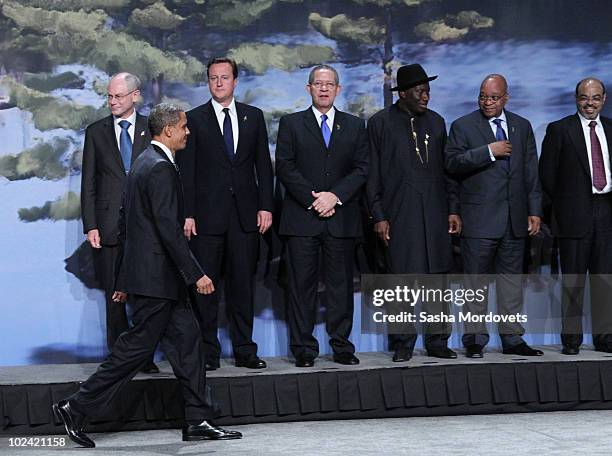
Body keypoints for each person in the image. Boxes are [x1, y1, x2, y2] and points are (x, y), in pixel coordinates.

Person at [53, 104, 242, 448]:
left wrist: (126, 280)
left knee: (188, 346)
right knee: (134, 351)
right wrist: (196, 274)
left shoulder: (144, 162)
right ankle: (75, 407)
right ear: (168, 130)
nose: (188, 131)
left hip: (156, 280)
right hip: (158, 283)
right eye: (184, 126)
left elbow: (129, 227)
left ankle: (198, 419)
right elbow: (168, 231)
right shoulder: (158, 168)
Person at [178, 58, 273, 370]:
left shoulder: (253, 117)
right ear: (208, 81)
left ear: (235, 81)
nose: (218, 83)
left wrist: (265, 206)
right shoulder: (193, 119)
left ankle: (245, 350)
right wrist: (188, 214)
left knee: (243, 287)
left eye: (224, 77)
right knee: (205, 289)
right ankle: (208, 353)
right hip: (206, 219)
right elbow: (186, 173)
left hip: (245, 218)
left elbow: (263, 167)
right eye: (213, 78)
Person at [367, 64, 461, 362]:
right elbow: (372, 176)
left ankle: (437, 341)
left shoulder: (436, 122)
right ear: (404, 93)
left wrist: (453, 210)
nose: (426, 97)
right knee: (401, 281)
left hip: (434, 212)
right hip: (399, 213)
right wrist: (379, 216)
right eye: (420, 91)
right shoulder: (380, 123)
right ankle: (403, 343)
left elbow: (448, 173)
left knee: (437, 278)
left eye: (428, 91)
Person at [275, 64, 369, 367]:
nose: (324, 88)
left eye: (329, 84)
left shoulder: (355, 126)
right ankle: (303, 348)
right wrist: (313, 199)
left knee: (340, 286)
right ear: (309, 89)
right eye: (318, 83)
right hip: (303, 219)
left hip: (340, 219)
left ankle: (342, 345)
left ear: (338, 89)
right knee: (301, 287)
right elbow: (285, 166)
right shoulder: (291, 124)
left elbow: (362, 168)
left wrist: (335, 196)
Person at [445, 74, 543, 358]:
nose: (487, 102)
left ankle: (513, 339)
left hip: (515, 220)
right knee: (475, 284)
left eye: (493, 98)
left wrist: (534, 211)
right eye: (483, 97)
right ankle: (475, 340)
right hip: (479, 220)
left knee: (511, 284)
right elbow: (452, 164)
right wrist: (488, 151)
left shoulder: (521, 126)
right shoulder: (462, 126)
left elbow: (530, 173)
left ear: (505, 98)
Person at [80, 72, 158, 373]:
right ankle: (118, 359)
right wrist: (91, 225)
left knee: (145, 297)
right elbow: (89, 182)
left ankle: (144, 357)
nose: (113, 101)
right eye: (110, 96)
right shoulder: (96, 131)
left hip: (146, 227)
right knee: (114, 297)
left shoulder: (151, 127)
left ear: (135, 96)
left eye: (119, 96)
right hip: (110, 225)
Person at [539, 78, 612, 355]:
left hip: (606, 211)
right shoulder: (560, 129)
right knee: (573, 282)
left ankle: (605, 338)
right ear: (576, 99)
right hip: (572, 216)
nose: (589, 103)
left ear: (603, 99)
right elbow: (547, 176)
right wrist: (554, 216)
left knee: (605, 279)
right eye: (584, 98)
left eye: (595, 98)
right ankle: (571, 340)